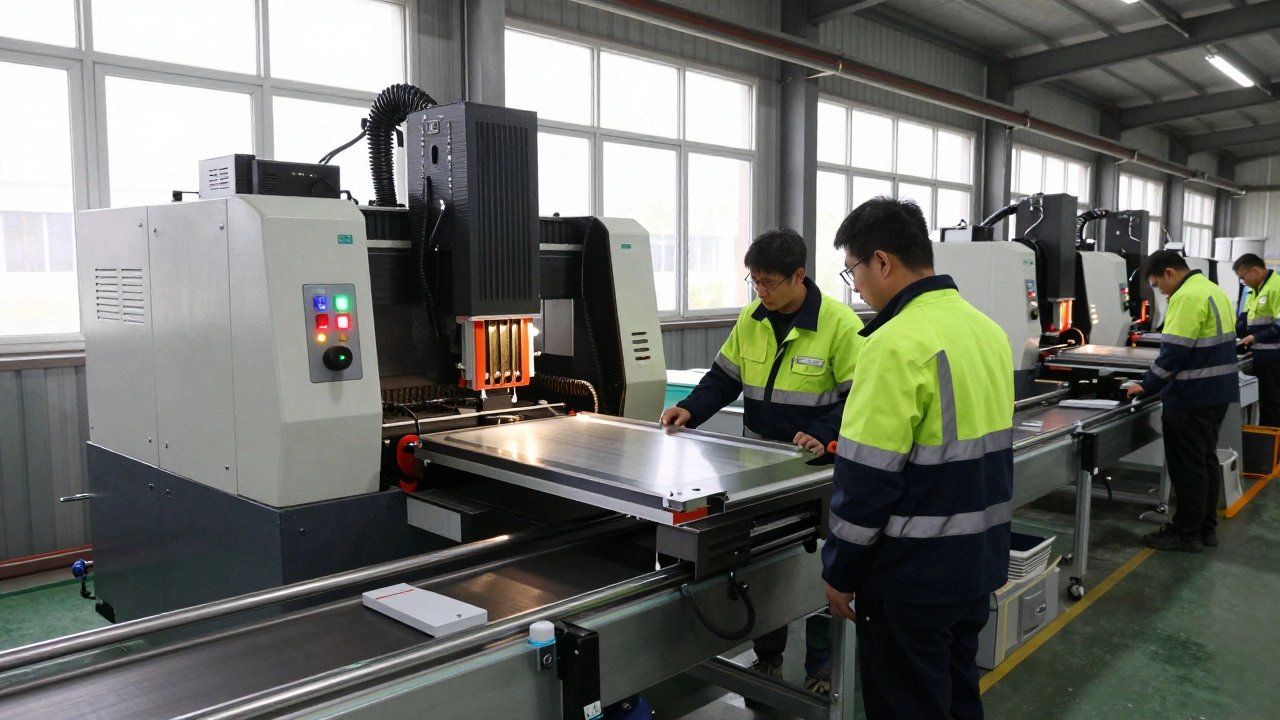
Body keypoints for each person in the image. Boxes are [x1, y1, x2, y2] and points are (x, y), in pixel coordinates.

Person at [822, 197, 1012, 720]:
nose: (855, 286)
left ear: (882, 261)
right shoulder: (988, 331)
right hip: (976, 561)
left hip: (912, 575)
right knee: (956, 692)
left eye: (853, 270)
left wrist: (840, 571)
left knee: (907, 704)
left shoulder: (893, 344)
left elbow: (866, 480)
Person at [660, 227, 864, 695]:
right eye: (755, 282)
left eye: (770, 283)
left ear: (799, 275)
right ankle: (768, 658)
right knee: (766, 568)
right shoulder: (752, 318)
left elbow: (860, 399)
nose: (762, 292)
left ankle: (821, 668)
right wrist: (689, 410)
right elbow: (722, 379)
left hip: (815, 475)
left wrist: (821, 432)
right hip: (757, 471)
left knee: (814, 574)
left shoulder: (838, 325)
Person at [1128, 250, 1239, 551]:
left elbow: (1174, 354)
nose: (1159, 291)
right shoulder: (1213, 290)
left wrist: (1145, 385)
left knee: (1187, 468)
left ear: (1169, 273)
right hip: (1216, 394)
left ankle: (1185, 534)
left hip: (1191, 397)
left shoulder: (1186, 297)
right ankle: (1205, 528)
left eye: (1156, 284)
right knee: (1205, 462)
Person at [1234, 253, 1280, 426]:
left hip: (1274, 357)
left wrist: (1255, 337)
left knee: (1272, 405)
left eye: (1243, 277)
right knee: (1266, 404)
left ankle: (1273, 450)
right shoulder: (1255, 290)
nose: (1243, 282)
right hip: (1261, 356)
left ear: (1254, 270)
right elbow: (1245, 320)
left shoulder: (1276, 287)